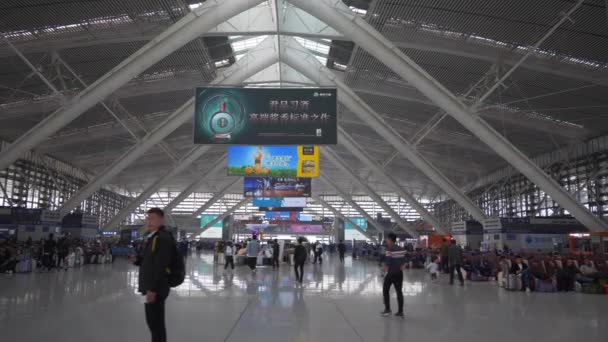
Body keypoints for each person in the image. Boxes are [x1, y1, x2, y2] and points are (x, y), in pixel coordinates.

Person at [133, 208, 174, 342]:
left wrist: (153, 289)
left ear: (161, 220)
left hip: (154, 289)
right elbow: (150, 261)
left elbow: (161, 266)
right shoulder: (152, 237)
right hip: (148, 288)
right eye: (147, 218)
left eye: (152, 218)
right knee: (152, 322)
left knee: (156, 324)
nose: (148, 221)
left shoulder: (162, 238)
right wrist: (138, 261)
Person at [380, 233, 405, 318]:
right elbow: (408, 256)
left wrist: (384, 272)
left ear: (390, 240)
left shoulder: (389, 249)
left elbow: (388, 262)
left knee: (385, 290)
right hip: (399, 273)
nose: (386, 240)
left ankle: (387, 309)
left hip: (391, 273)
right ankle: (400, 311)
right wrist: (403, 264)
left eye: (387, 239)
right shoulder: (401, 249)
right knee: (399, 292)